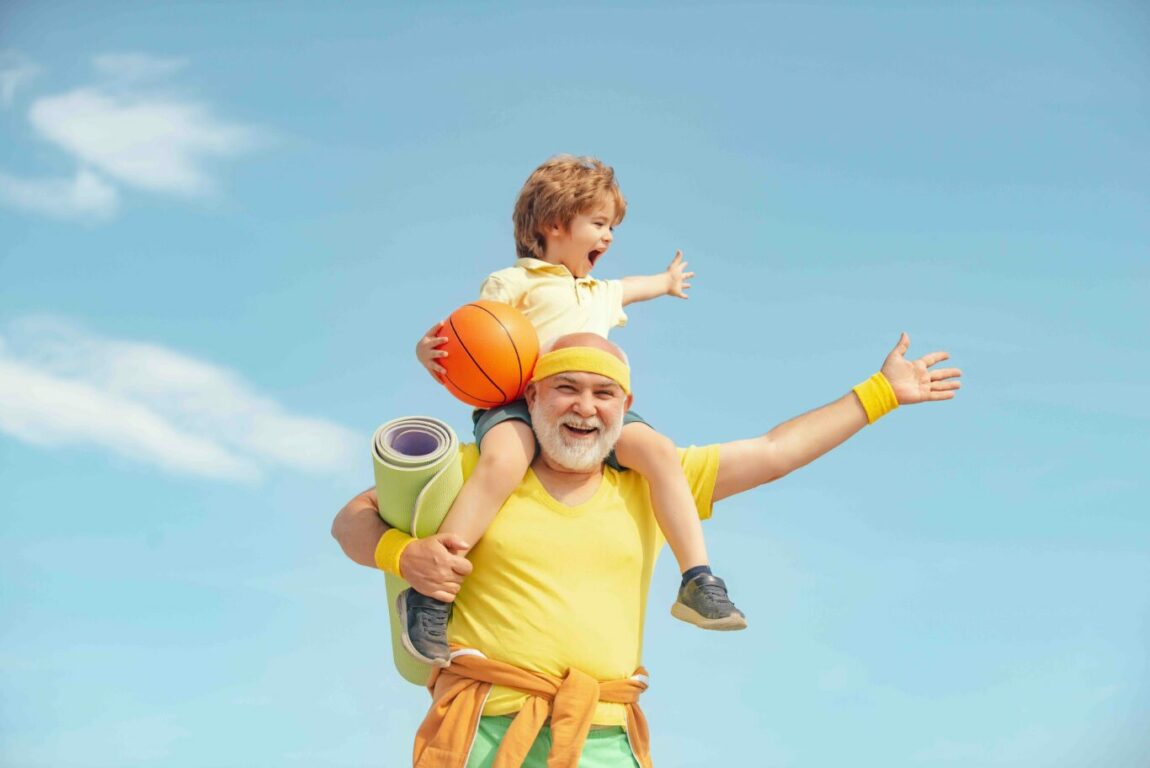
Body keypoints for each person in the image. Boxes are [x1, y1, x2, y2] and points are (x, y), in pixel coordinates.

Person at [332, 331, 962, 767]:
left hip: (603, 736)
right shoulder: (479, 469)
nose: (585, 406)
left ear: (625, 408)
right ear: (532, 399)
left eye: (603, 394)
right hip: (484, 732)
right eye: (566, 389)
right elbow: (350, 520)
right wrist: (400, 553)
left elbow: (775, 453)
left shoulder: (657, 485)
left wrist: (881, 393)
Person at [404, 155, 742, 669]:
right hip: (518, 401)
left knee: (657, 451)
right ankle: (434, 589)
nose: (608, 237)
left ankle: (698, 579)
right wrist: (425, 353)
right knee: (502, 463)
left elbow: (634, 287)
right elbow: (470, 337)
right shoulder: (514, 283)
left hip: (589, 411)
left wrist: (667, 281)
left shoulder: (600, 292)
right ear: (554, 224)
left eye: (612, 227)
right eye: (600, 224)